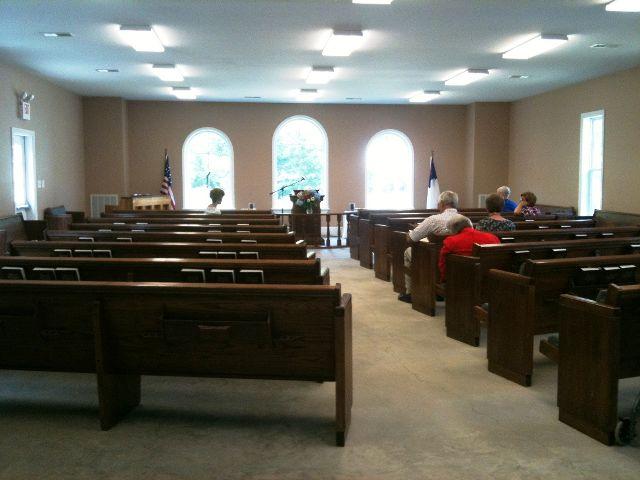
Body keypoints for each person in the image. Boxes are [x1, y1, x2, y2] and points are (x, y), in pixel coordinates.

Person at [399, 190, 459, 303]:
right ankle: (438, 290)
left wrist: (410, 232)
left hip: (435, 259)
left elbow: (411, 238)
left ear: (442, 204)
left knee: (408, 251)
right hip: (456, 260)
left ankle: (411, 292)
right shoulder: (465, 220)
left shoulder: (433, 220)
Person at [438, 214, 500, 282]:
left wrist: (444, 280)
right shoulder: (493, 238)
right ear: (471, 225)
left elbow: (443, 265)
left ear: (453, 230)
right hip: (489, 280)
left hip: (461, 281)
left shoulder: (451, 241)